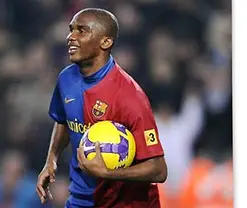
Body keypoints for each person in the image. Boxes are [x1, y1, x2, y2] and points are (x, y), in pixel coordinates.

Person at [35, 8, 167, 208]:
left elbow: (159, 170)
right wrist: (51, 160)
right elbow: (64, 120)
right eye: (71, 30)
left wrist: (107, 173)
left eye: (82, 31)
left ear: (106, 42)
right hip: (81, 200)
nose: (71, 37)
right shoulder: (66, 79)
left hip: (125, 203)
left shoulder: (129, 96)